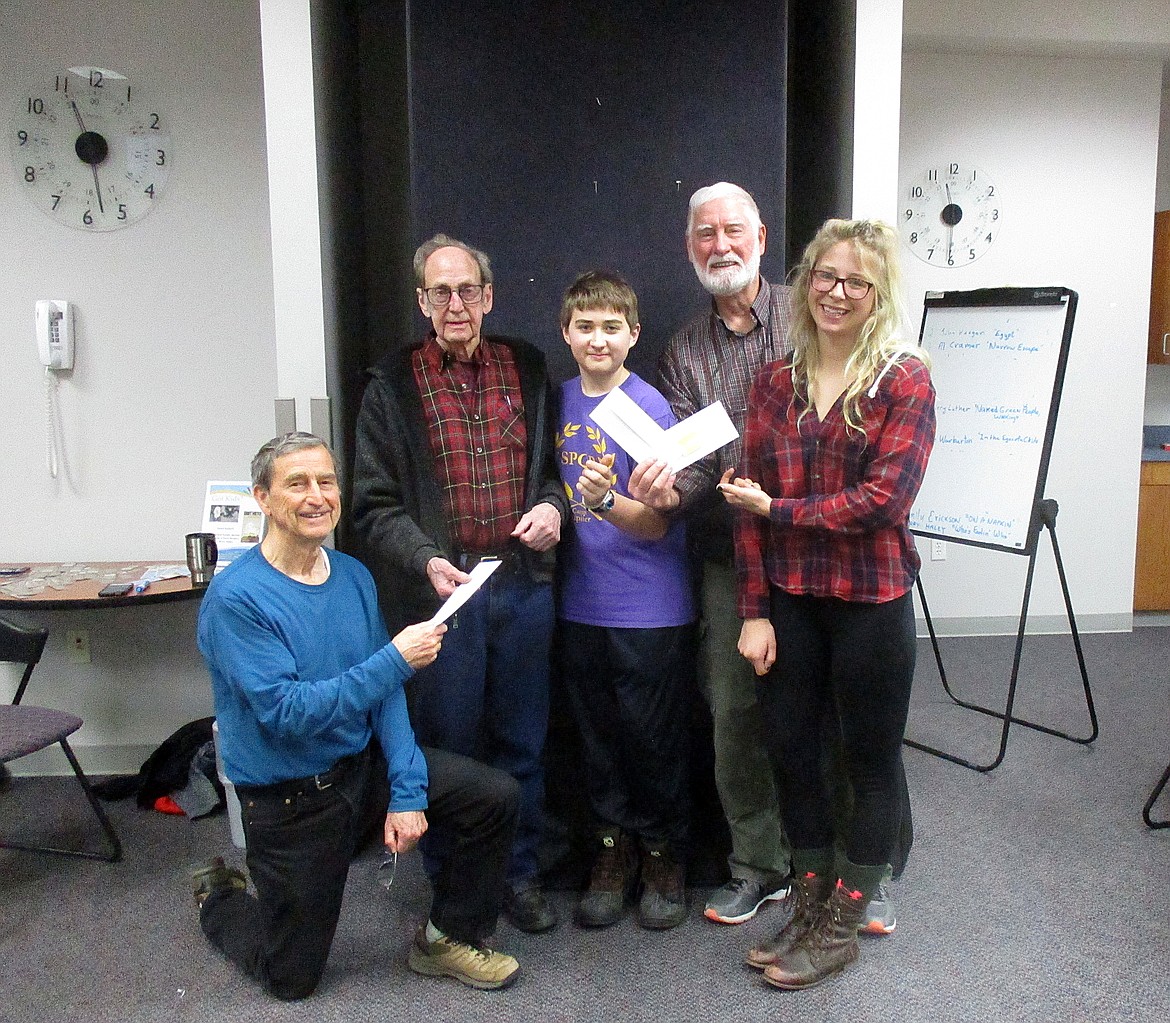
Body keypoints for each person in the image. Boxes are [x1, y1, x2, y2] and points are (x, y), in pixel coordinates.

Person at [194, 432, 523, 996]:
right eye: (296, 483)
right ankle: (220, 895)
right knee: (291, 978)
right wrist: (395, 658)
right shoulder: (235, 600)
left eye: (326, 481)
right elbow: (288, 714)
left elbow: (384, 693)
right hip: (289, 801)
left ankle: (445, 938)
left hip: (356, 771)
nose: (316, 496)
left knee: (492, 795)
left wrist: (408, 789)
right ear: (262, 497)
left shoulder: (351, 574)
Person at [719, 218, 935, 989]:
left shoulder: (903, 379)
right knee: (791, 752)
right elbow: (744, 501)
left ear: (877, 294)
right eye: (825, 277)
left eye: (856, 281)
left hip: (870, 600)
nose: (837, 293)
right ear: (805, 283)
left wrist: (779, 511)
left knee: (869, 763)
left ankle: (844, 919)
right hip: (791, 601)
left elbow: (882, 500)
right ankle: (808, 905)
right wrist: (752, 609)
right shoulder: (774, 380)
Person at [352, 234, 569, 934]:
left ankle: (520, 873)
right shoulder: (391, 384)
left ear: (489, 296)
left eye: (467, 289)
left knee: (525, 742)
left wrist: (553, 508)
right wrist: (422, 558)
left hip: (522, 586)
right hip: (443, 598)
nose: (455, 303)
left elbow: (553, 474)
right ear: (421, 300)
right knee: (448, 743)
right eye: (440, 291)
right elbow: (372, 505)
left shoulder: (529, 368)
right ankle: (453, 880)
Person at [626, 182, 795, 925]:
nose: (719, 244)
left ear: (761, 235)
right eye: (704, 233)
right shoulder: (684, 349)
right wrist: (665, 492)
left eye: (732, 230)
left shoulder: (810, 312)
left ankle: (847, 866)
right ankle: (759, 864)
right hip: (732, 557)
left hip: (820, 546)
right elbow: (689, 467)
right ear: (688, 244)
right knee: (733, 713)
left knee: (834, 709)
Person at [554, 270, 696, 930]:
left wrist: (607, 500)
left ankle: (664, 856)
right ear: (566, 333)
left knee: (651, 740)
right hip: (580, 605)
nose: (598, 337)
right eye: (585, 325)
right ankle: (611, 853)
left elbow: (660, 521)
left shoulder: (648, 409)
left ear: (634, 335)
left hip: (648, 608)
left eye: (612, 326)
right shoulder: (556, 404)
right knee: (597, 740)